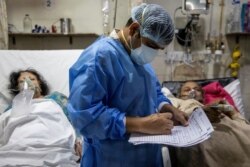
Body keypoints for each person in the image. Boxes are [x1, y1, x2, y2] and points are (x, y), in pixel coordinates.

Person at [67, 3, 189, 167]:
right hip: (110, 159)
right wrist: (140, 125)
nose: (153, 52)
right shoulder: (99, 57)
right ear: (134, 29)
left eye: (159, 49)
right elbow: (84, 115)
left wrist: (167, 107)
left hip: (148, 157)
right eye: (151, 45)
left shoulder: (139, 59)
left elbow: (153, 92)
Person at [167, 81, 250, 167]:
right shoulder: (173, 102)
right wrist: (199, 113)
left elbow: (243, 124)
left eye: (197, 89)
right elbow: (173, 120)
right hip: (201, 135)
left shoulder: (216, 106)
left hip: (231, 129)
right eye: (187, 90)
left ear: (202, 96)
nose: (192, 91)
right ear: (179, 95)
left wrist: (232, 111)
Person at [6, 68, 82, 161]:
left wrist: (79, 140)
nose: (28, 82)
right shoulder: (13, 106)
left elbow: (74, 118)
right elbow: (4, 124)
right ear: (17, 88)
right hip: (18, 145)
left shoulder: (56, 98)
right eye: (22, 81)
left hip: (54, 143)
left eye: (32, 79)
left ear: (39, 83)